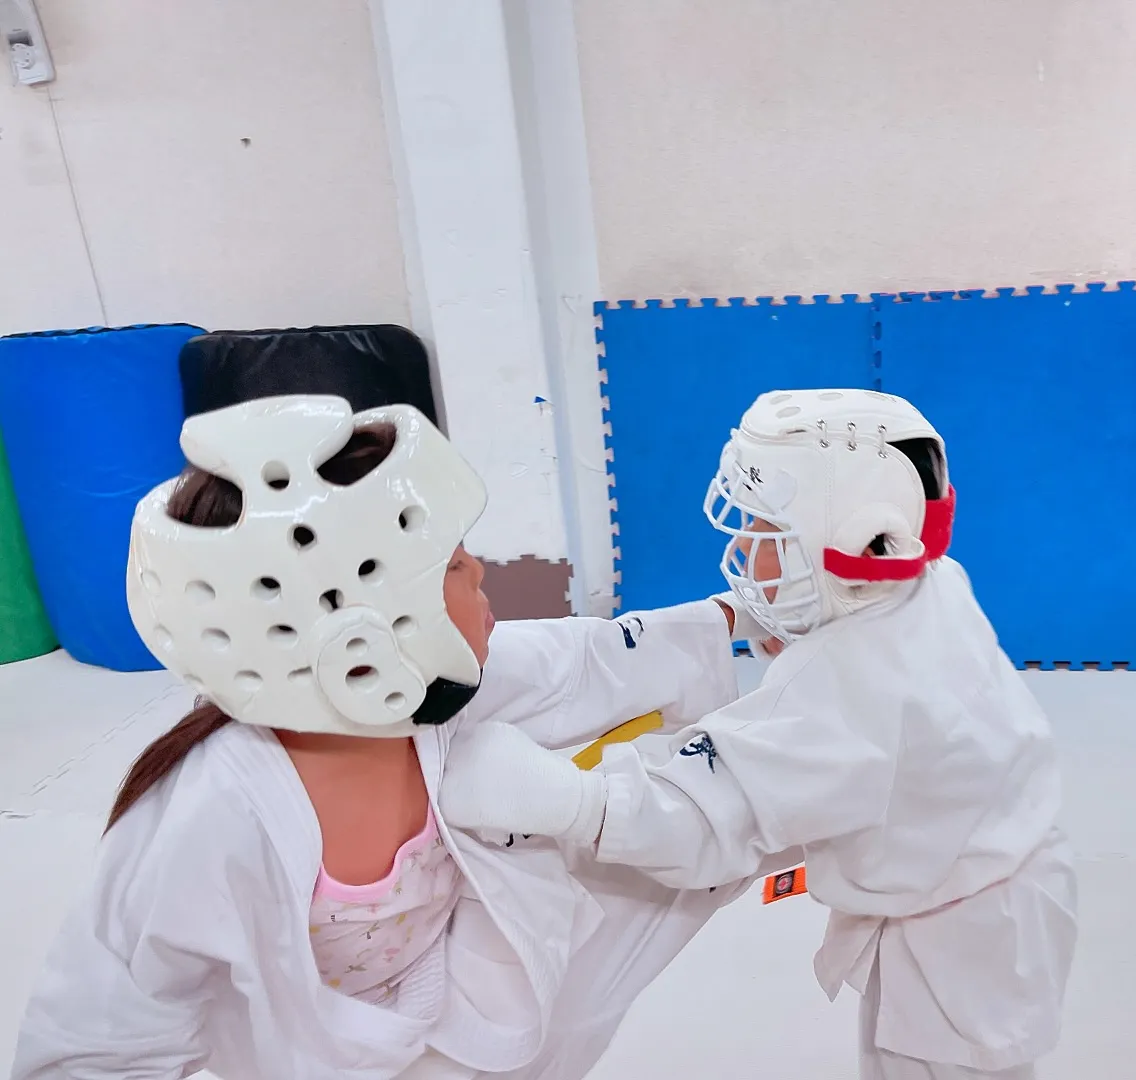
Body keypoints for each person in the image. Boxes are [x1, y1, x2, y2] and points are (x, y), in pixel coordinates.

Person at [11, 394, 761, 1080]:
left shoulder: (433, 696)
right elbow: (102, 1039)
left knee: (697, 827)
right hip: (322, 1055)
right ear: (361, 628)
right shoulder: (208, 818)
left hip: (468, 996)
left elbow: (585, 660)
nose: (483, 574)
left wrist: (747, 614)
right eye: (457, 565)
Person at [440, 388, 1079, 1080]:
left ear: (865, 540)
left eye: (767, 530)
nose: (745, 545)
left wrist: (569, 800)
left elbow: (704, 826)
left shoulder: (848, 693)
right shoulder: (928, 583)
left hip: (957, 952)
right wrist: (786, 613)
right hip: (995, 884)